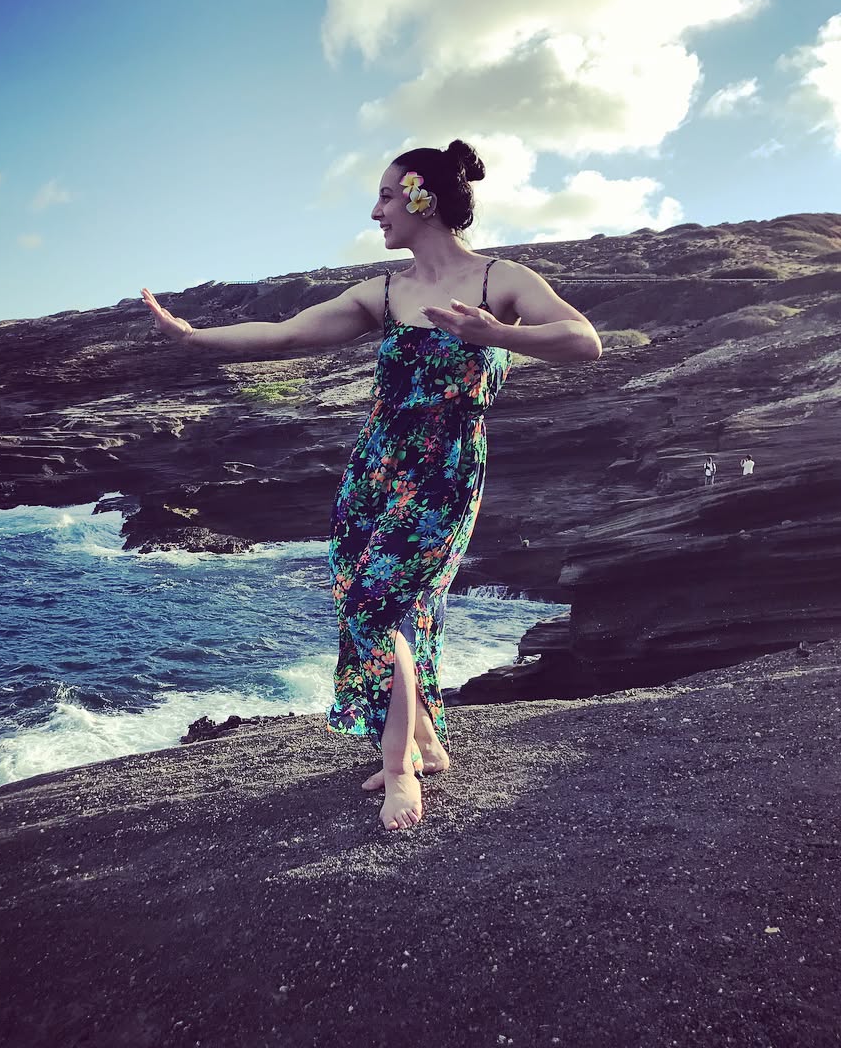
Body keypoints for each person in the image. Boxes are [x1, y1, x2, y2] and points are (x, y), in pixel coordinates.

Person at [142, 139, 602, 830]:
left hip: (445, 470)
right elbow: (284, 335)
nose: (376, 211)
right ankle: (427, 741)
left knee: (374, 604)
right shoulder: (383, 293)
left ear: (424, 198)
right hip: (375, 470)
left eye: (386, 196)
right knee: (375, 603)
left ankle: (400, 771)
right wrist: (194, 338)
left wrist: (496, 334)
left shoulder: (500, 281)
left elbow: (584, 341)